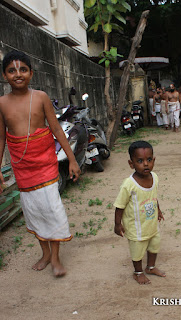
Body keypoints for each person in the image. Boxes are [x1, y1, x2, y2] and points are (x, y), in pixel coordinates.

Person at [0, 50, 81, 277]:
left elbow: (56, 129)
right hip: (22, 167)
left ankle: (55, 257)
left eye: (23, 69)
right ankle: (45, 253)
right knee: (33, 210)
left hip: (45, 162)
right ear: (5, 76)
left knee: (51, 208)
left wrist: (72, 159)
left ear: (31, 73)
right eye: (11, 70)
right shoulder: (2, 103)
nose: (18, 74)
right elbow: (2, 137)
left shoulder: (41, 97)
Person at [114, 141, 165, 285]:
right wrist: (117, 224)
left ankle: (150, 267)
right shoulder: (128, 185)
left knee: (154, 245)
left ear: (154, 160)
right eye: (140, 161)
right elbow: (119, 206)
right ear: (131, 164)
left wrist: (158, 210)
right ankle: (138, 272)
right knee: (137, 251)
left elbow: (153, 196)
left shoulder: (154, 177)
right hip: (136, 227)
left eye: (149, 160)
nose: (146, 164)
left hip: (151, 224)